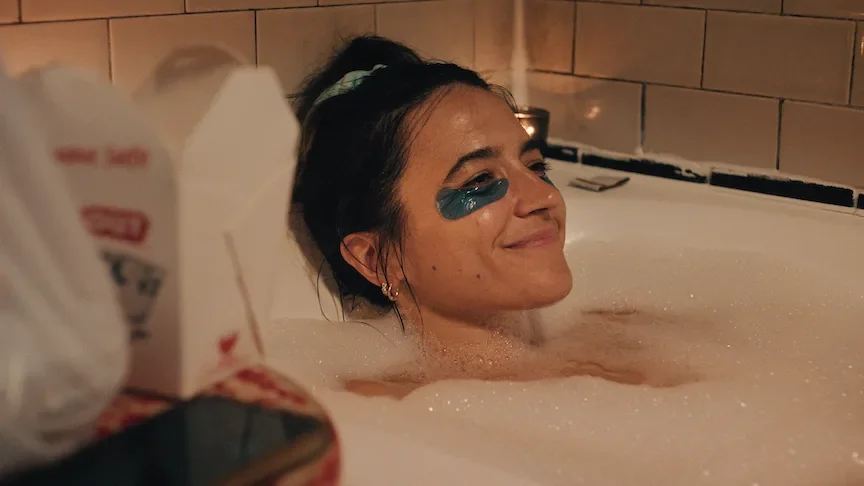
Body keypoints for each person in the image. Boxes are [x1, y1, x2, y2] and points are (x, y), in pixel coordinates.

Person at [291, 36, 694, 398]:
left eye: (535, 167)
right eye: (480, 180)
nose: (545, 196)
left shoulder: (632, 335)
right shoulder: (390, 413)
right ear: (378, 258)